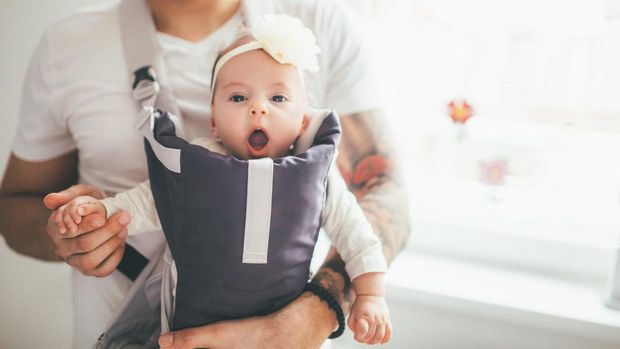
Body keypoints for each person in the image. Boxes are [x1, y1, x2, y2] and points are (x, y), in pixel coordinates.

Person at [0, 0, 410, 348]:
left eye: (278, 98)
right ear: (214, 119)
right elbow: (18, 206)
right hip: (127, 333)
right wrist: (83, 222)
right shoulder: (66, 47)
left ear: (304, 120)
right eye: (238, 97)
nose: (259, 109)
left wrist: (312, 318)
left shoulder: (319, 22)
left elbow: (381, 193)